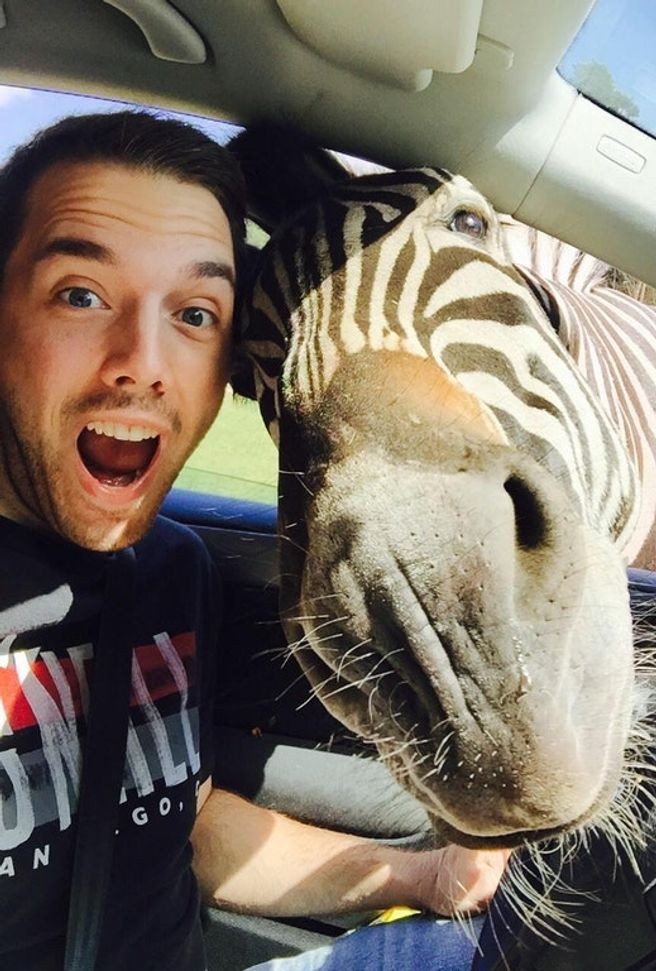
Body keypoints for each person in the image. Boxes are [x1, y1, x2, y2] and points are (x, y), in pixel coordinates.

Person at [0, 109, 509, 971]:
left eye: (196, 313)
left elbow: (181, 824)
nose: (142, 360)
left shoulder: (167, 571)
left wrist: (422, 874)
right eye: (81, 295)